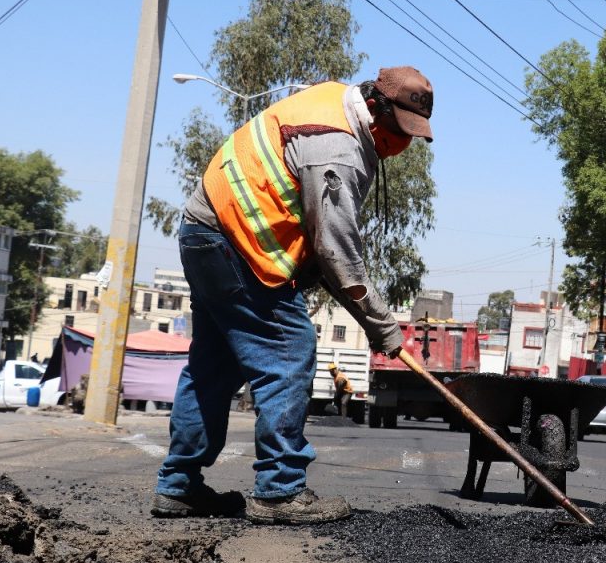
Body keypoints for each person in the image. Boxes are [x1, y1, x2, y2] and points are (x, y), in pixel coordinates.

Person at [151, 66, 434, 525]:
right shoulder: (338, 150)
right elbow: (337, 253)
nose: (402, 143)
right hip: (240, 244)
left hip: (202, 232)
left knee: (213, 366)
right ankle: (279, 490)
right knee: (288, 351)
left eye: (412, 134)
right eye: (400, 129)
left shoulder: (332, 99)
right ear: (375, 106)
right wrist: (383, 328)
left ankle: (178, 485)